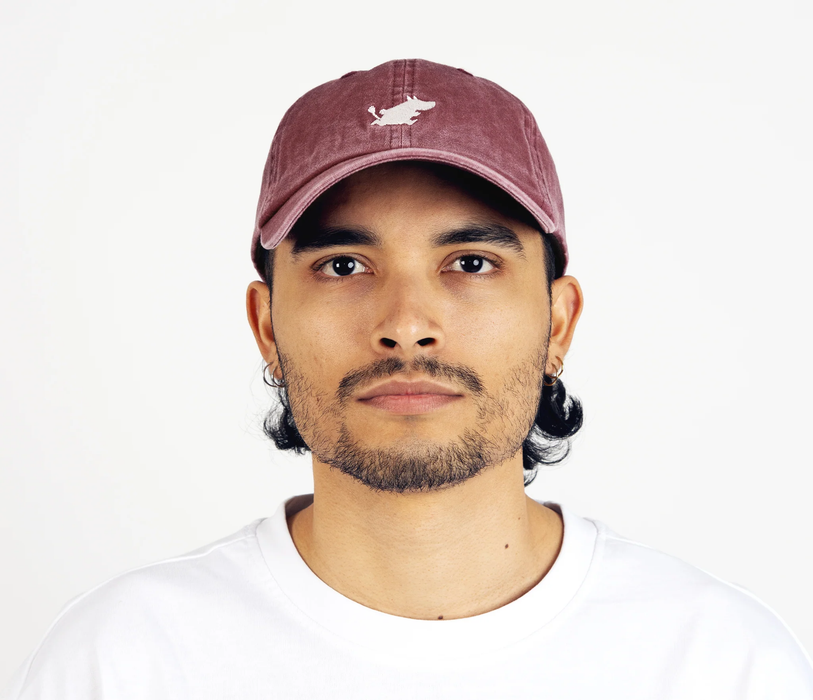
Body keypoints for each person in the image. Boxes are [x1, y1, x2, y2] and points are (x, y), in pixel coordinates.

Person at [4, 58, 812, 699]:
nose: (406, 323)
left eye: (470, 262)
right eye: (343, 265)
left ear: (557, 322)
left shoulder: (720, 666)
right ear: (267, 326)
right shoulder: (123, 663)